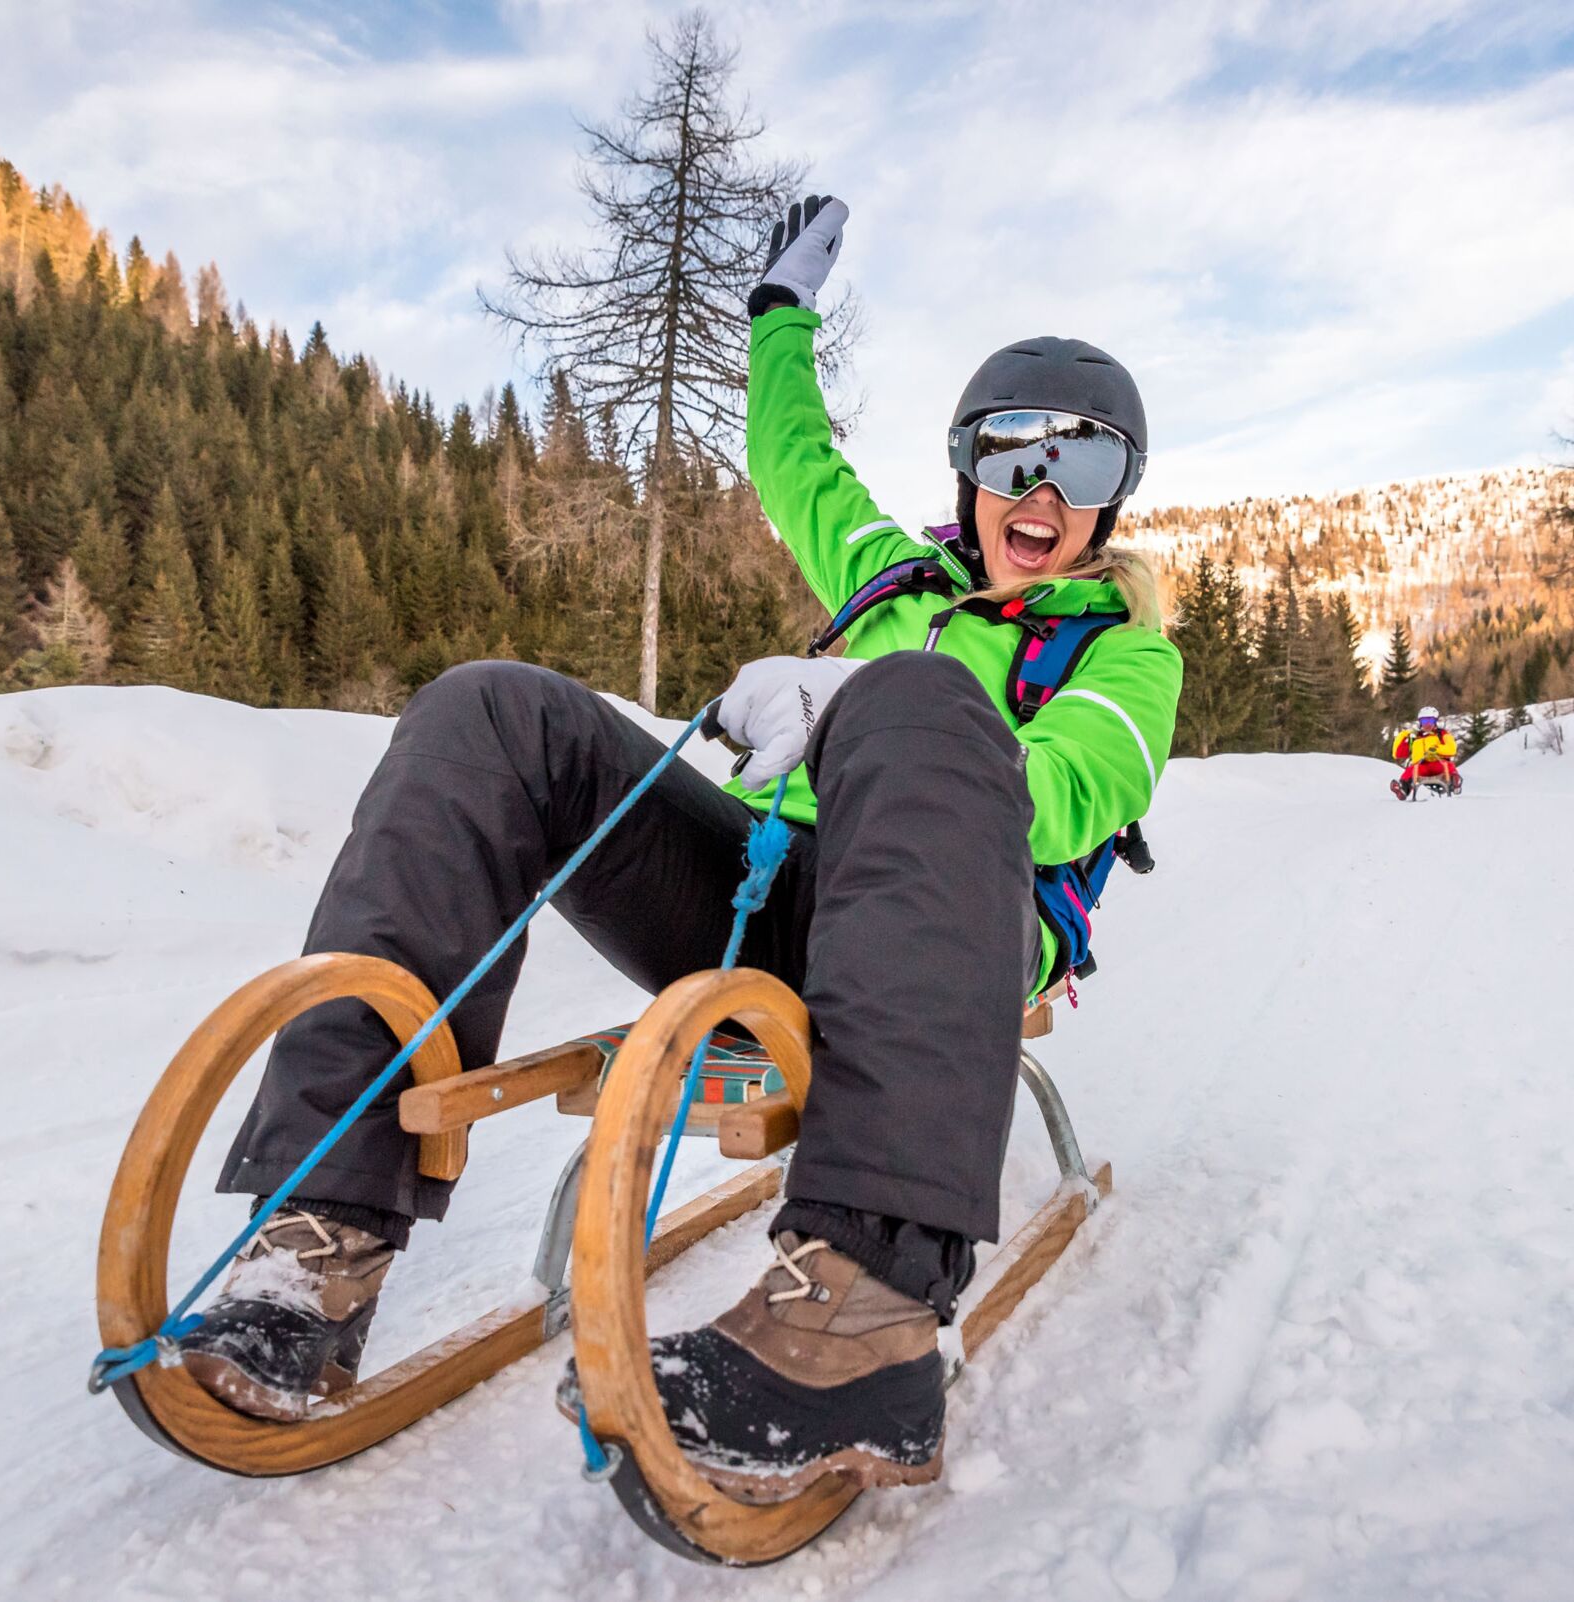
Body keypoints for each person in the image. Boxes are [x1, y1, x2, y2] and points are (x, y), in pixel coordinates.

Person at [180, 194, 1182, 1498]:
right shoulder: (892, 579)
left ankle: (865, 1304)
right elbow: (794, 463)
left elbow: (1068, 789)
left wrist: (855, 710)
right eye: (1010, 455)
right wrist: (775, 318)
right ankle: (322, 1225)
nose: (1039, 492)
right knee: (493, 709)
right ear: (967, 472)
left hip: (946, 933)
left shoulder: (1126, 651)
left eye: (1083, 466)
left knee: (927, 701)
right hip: (763, 907)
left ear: (1114, 503)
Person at [1389, 706, 1461, 798]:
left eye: (1430, 721)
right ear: (1420, 723)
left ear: (1435, 722)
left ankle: (1454, 781)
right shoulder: (1414, 738)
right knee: (1411, 770)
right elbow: (1397, 753)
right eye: (1424, 721)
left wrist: (1437, 749)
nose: (1427, 724)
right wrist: (1404, 735)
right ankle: (1403, 789)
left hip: (1438, 763)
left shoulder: (1441, 734)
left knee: (1447, 765)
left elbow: (1452, 748)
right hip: (1421, 766)